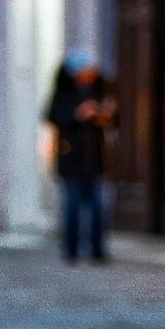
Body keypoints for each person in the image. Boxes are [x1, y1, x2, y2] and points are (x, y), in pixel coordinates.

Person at [46, 51, 117, 262]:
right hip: (71, 158)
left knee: (97, 206)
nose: (88, 75)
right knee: (73, 206)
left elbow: (113, 118)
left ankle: (97, 249)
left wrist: (104, 116)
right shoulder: (63, 93)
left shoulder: (100, 91)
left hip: (94, 159)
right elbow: (52, 116)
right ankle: (71, 249)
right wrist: (78, 113)